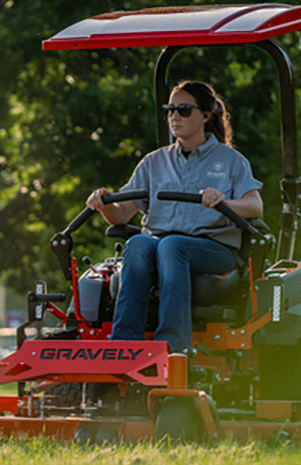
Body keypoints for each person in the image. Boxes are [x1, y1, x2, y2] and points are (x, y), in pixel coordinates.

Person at [86, 80, 263, 355]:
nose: (174, 117)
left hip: (213, 249)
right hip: (161, 245)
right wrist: (104, 202)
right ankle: (123, 345)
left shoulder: (231, 161)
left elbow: (255, 207)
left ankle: (172, 346)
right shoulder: (154, 162)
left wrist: (223, 202)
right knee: (137, 244)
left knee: (172, 245)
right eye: (170, 110)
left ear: (205, 115)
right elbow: (121, 215)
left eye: (183, 110)